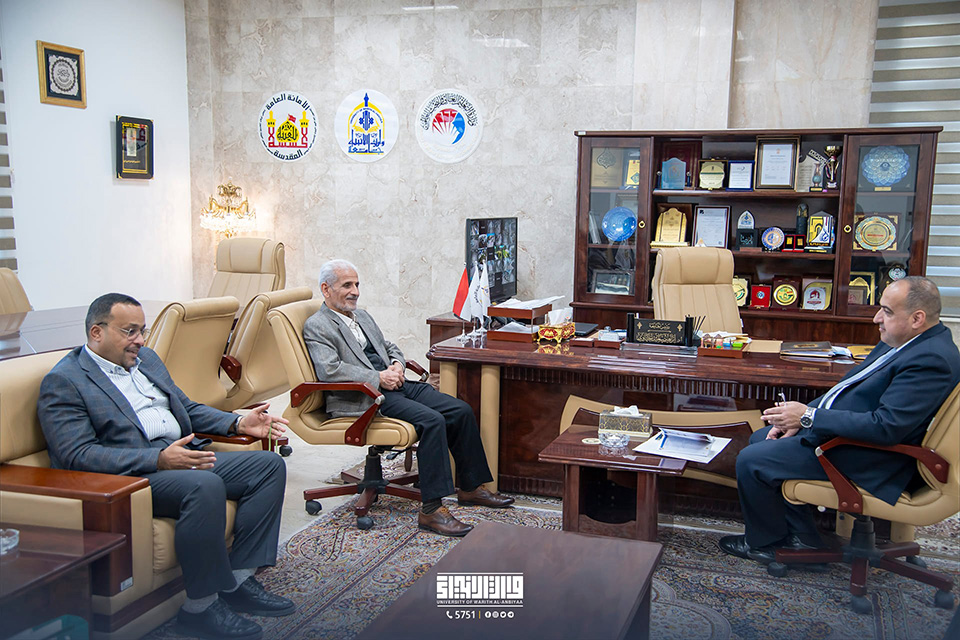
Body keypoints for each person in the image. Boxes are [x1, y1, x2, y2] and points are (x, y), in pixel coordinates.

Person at [38, 293, 295, 640]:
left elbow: (185, 407)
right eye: (129, 331)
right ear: (97, 332)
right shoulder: (65, 380)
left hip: (180, 455)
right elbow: (77, 454)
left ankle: (237, 582)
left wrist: (236, 422)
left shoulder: (146, 359)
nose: (140, 340)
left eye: (142, 330)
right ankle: (200, 609)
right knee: (204, 485)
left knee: (267, 466)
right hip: (135, 474)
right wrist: (157, 459)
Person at [719, 277, 960, 564]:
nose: (876, 318)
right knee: (763, 437)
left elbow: (886, 427)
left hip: (875, 456)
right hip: (852, 438)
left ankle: (766, 544)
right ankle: (803, 539)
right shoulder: (906, 341)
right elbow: (844, 390)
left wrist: (808, 417)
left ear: (917, 318)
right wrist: (799, 420)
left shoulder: (931, 360)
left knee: (753, 460)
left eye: (887, 311)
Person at [303, 259, 514, 537]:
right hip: (364, 397)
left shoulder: (361, 316)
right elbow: (330, 370)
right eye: (347, 285)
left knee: (460, 410)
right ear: (326, 289)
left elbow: (389, 346)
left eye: (357, 284)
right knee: (432, 421)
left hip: (394, 384)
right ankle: (431, 511)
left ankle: (471, 487)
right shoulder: (317, 325)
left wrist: (396, 365)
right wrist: (378, 377)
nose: (355, 291)